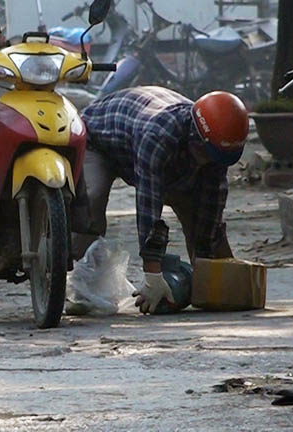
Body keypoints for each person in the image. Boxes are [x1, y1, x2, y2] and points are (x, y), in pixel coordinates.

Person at [72, 87, 249, 314]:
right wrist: (153, 276)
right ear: (195, 138)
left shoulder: (214, 146)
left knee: (196, 212)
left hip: (153, 146)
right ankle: (81, 289)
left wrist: (218, 275)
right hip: (100, 139)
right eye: (206, 155)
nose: (208, 163)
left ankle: (204, 281)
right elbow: (149, 207)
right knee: (91, 203)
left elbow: (211, 207)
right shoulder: (157, 135)